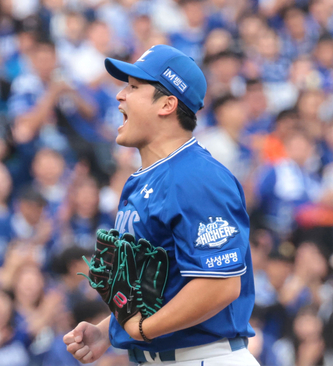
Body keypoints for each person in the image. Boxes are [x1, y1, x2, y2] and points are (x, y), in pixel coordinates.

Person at [63, 45, 260, 365]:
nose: (119, 96)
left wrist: (141, 330)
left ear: (168, 104)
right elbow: (160, 288)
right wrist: (110, 330)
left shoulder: (196, 177)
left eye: (134, 87)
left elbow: (220, 286)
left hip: (203, 357)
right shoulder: (142, 180)